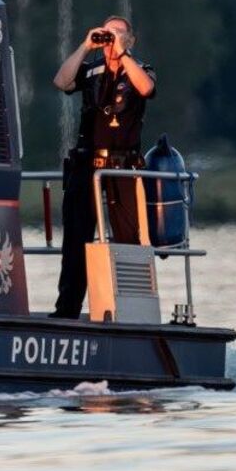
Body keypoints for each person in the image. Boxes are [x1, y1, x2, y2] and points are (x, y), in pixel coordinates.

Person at [50, 16, 156, 320]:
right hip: (88, 164)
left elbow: (146, 88)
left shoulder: (140, 69)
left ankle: (133, 311)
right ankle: (67, 309)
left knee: (127, 238)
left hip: (122, 166)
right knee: (77, 238)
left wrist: (123, 54)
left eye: (120, 34)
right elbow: (61, 81)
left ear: (131, 40)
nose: (113, 40)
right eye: (108, 35)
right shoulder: (92, 70)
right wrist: (85, 46)